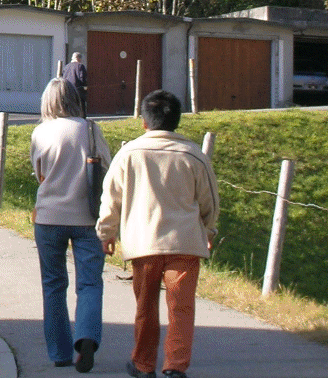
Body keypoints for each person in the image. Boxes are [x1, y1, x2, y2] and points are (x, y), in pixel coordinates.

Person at [96, 90, 219, 378]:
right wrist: (209, 228)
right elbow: (209, 201)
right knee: (181, 307)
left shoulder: (129, 154)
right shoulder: (193, 155)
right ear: (177, 120)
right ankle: (175, 366)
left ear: (144, 121)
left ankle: (143, 364)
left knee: (145, 306)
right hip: (184, 242)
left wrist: (106, 232)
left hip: (144, 243)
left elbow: (111, 197)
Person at [31, 77, 111, 372]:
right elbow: (106, 166)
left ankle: (59, 353)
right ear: (75, 100)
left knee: (53, 284)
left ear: (47, 102)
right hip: (87, 217)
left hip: (49, 217)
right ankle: (86, 338)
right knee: (89, 283)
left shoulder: (40, 132)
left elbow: (38, 172)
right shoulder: (90, 129)